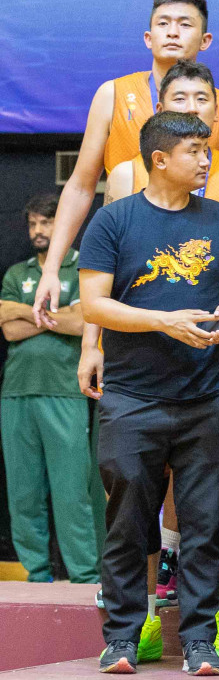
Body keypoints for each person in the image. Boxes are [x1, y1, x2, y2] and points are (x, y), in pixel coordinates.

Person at [79, 111, 219, 677]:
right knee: (129, 522)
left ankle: (201, 637)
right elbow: (94, 306)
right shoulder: (114, 221)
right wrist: (164, 322)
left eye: (208, 150)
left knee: (206, 524)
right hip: (132, 398)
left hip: (206, 397)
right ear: (159, 159)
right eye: (195, 152)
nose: (207, 161)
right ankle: (124, 637)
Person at [33, 0, 219, 324]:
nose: (173, 31)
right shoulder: (113, 94)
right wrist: (52, 266)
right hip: (127, 256)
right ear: (148, 38)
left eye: (185, 24)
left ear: (205, 39)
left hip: (194, 262)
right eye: (164, 23)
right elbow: (80, 186)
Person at [0, 193, 98, 584]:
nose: (38, 231)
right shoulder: (16, 273)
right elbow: (7, 326)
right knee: (23, 495)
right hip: (16, 393)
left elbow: (82, 321)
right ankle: (36, 575)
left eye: (46, 222)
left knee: (73, 493)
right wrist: (52, 314)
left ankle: (86, 577)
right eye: (33, 223)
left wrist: (29, 313)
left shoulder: (81, 269)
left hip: (66, 391)